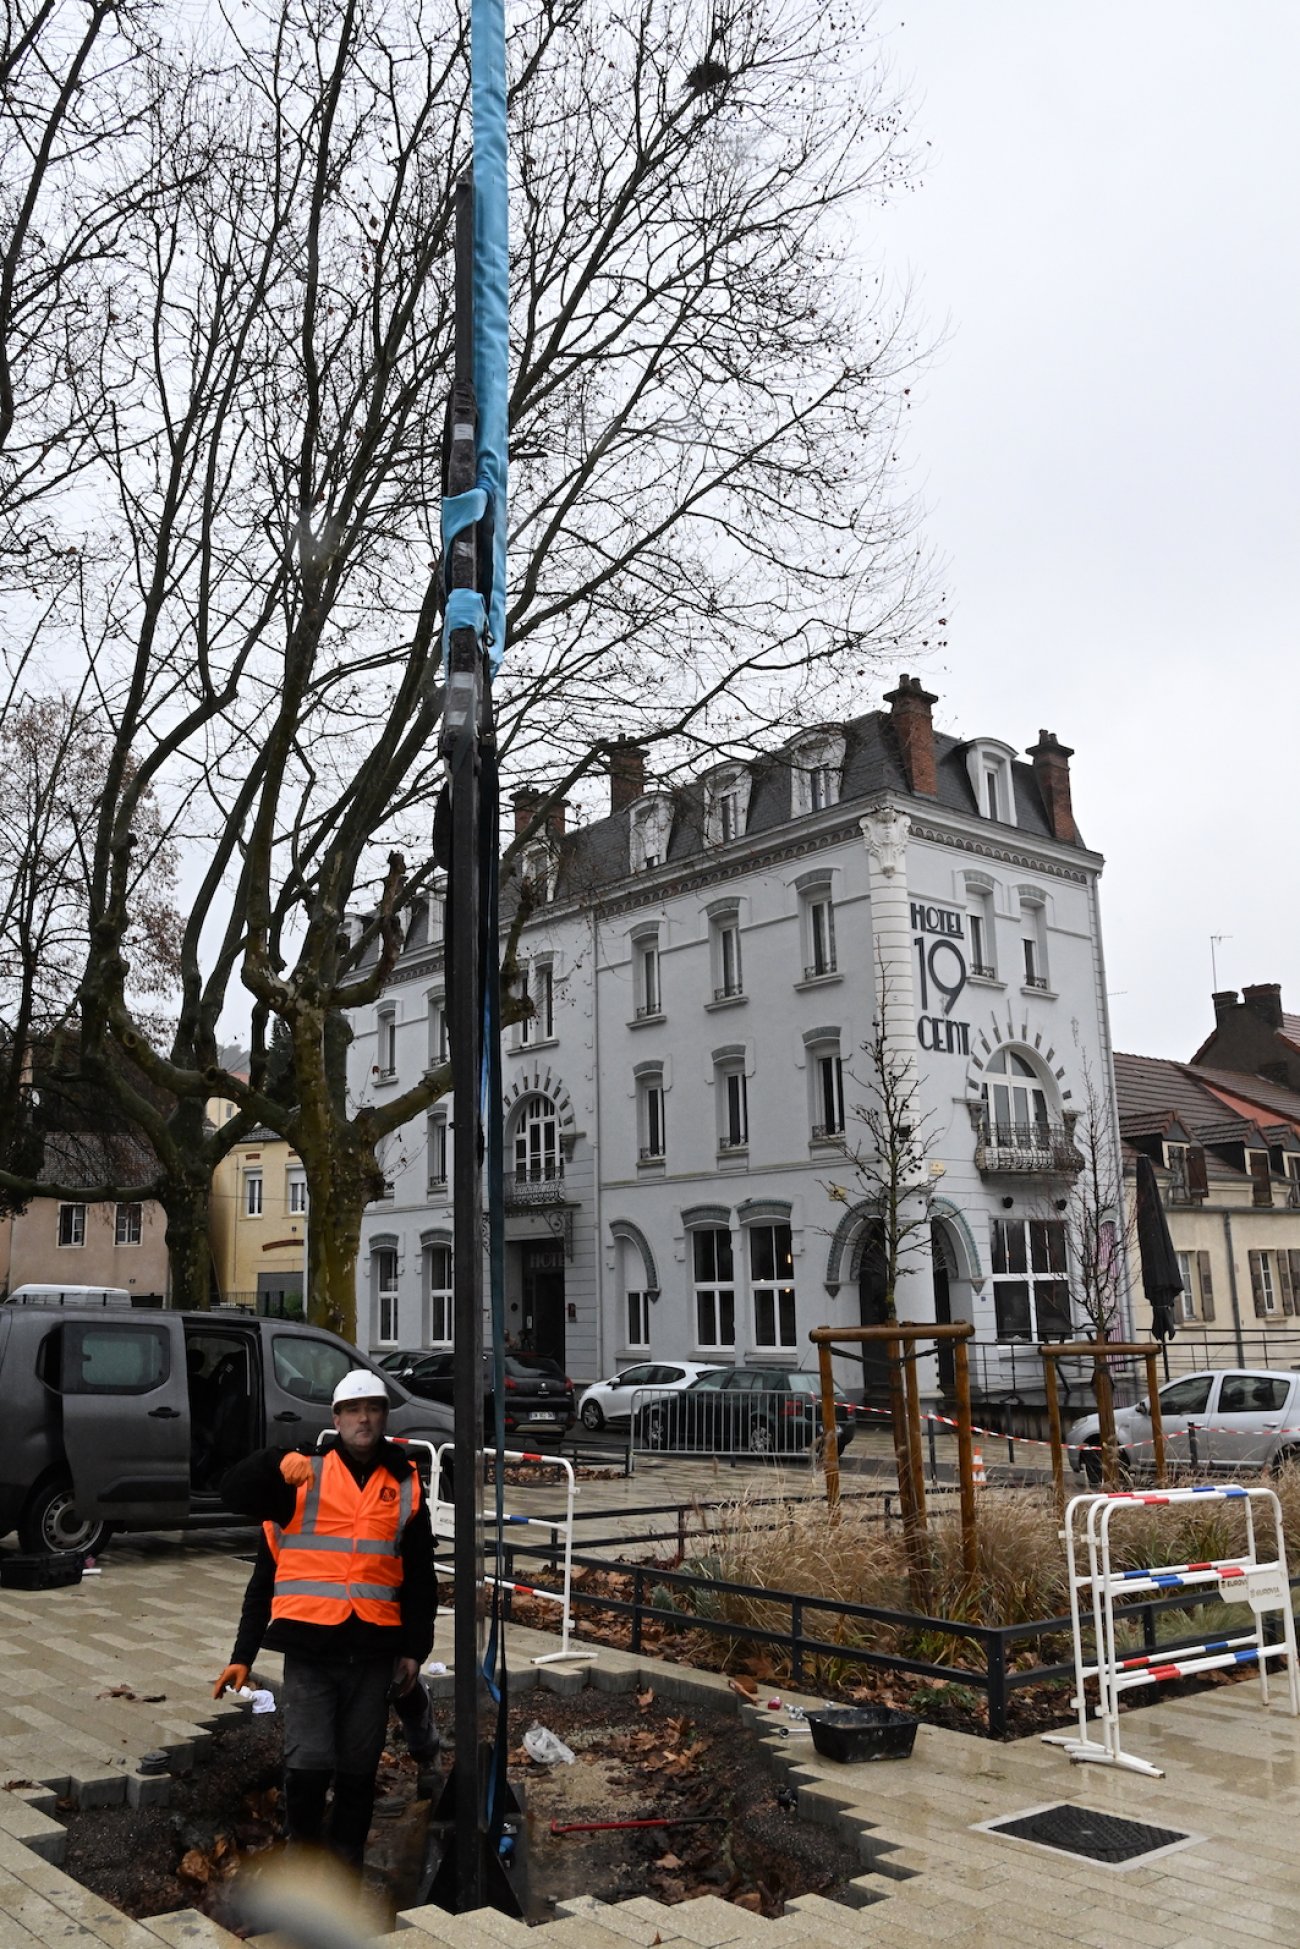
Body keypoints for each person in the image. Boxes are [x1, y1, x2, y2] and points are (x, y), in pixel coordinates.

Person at [212, 1370, 438, 1868]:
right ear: (336, 1419)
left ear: (383, 1417)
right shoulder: (301, 1476)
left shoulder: (402, 1484)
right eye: (353, 1410)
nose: (364, 1418)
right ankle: (304, 1863)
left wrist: (414, 1652)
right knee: (309, 1768)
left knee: (358, 1774)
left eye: (374, 1408)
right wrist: (241, 1656)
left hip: (374, 1651)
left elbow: (420, 1577)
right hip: (311, 1653)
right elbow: (231, 1496)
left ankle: (346, 1868)